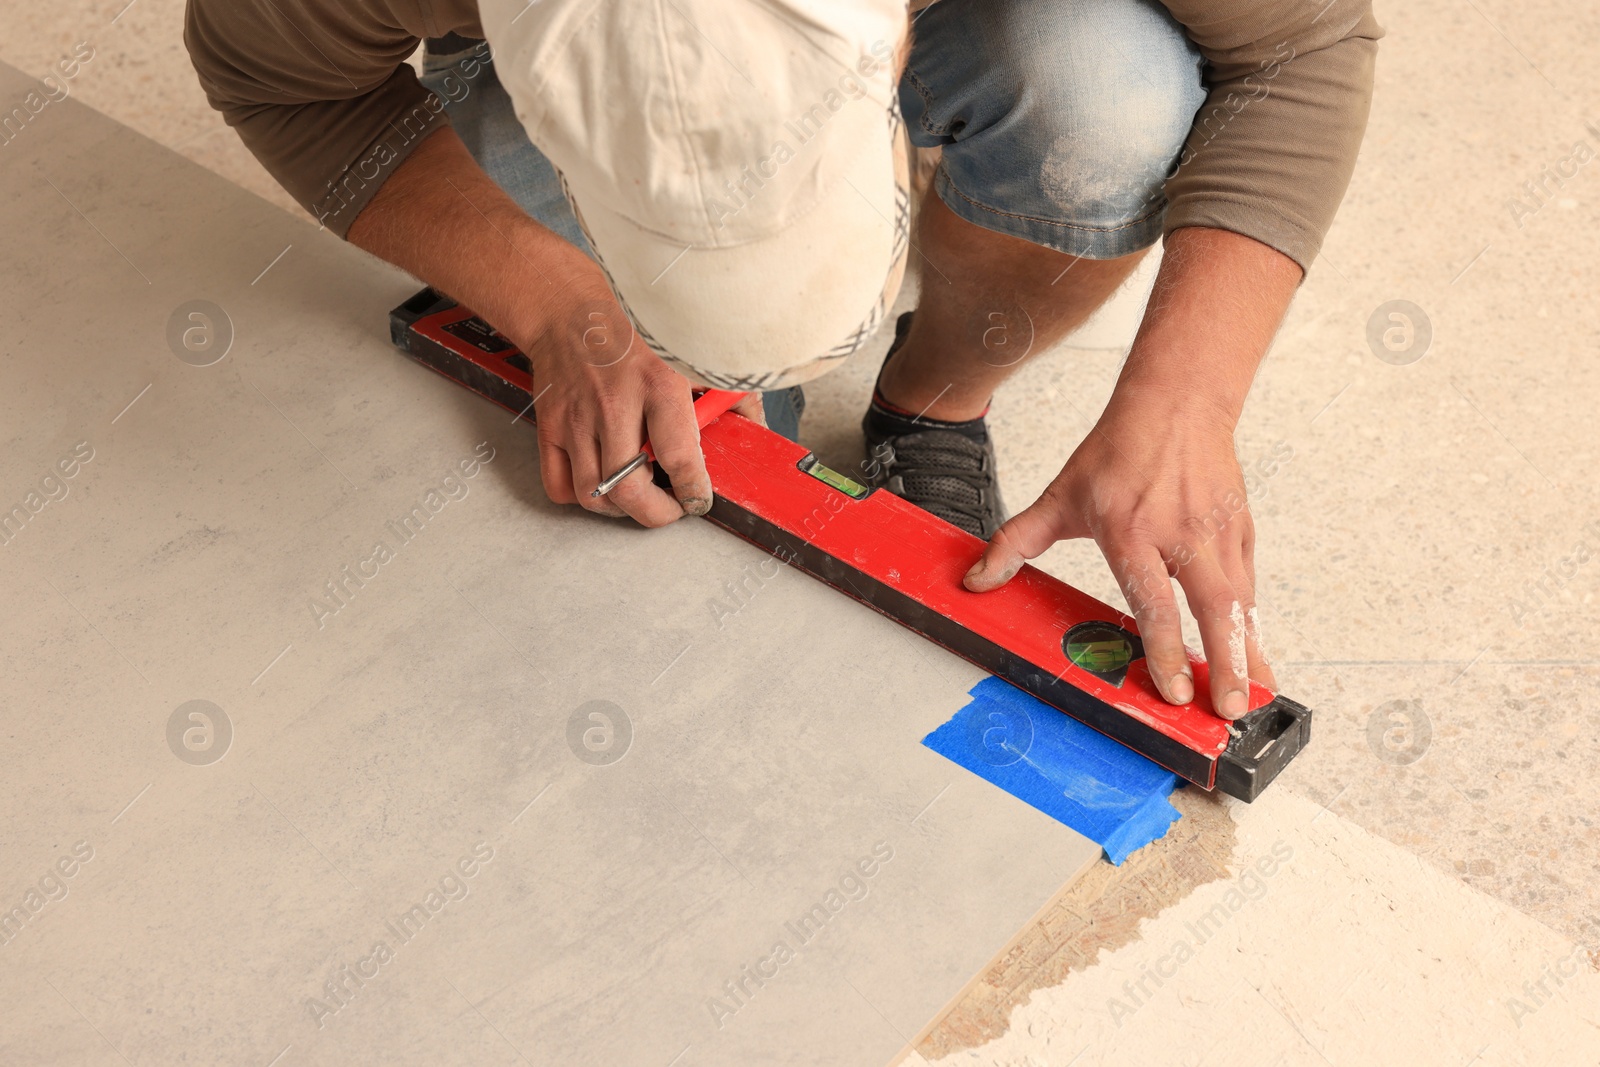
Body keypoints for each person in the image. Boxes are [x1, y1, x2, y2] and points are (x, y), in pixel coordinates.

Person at [186, 0, 1381, 719]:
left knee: (1104, 96)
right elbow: (277, 83)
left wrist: (1183, 403)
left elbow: (1305, 45)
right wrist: (561, 307)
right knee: (702, 473)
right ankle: (707, 384)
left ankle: (936, 405)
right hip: (537, 64)